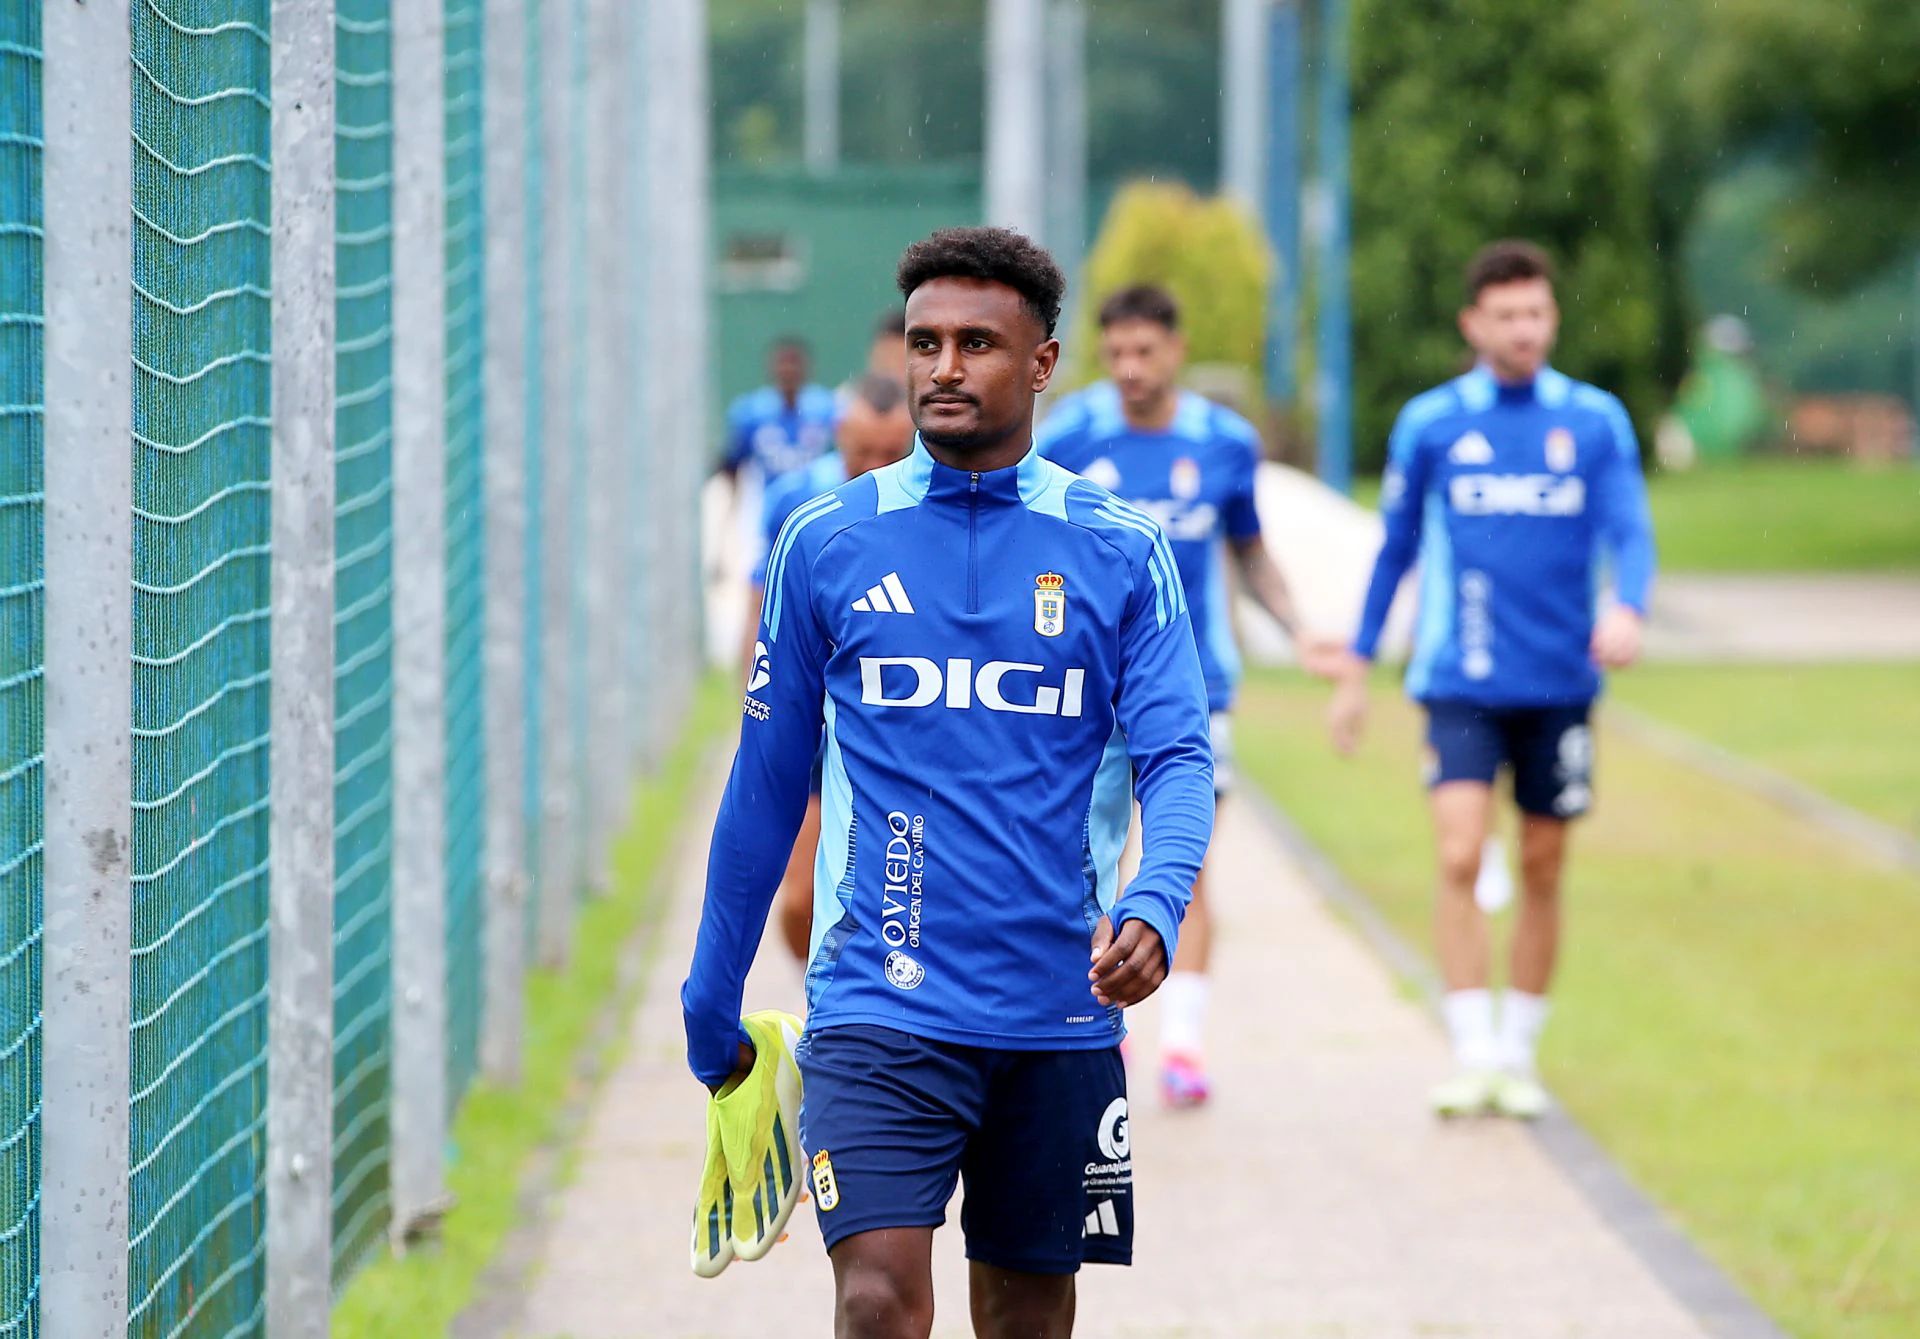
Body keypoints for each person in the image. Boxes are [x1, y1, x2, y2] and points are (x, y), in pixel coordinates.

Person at [683, 226, 1214, 1339]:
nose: (944, 367)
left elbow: (1176, 756)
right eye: (926, 343)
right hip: (878, 1003)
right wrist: (710, 992)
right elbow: (766, 783)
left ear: (1042, 362)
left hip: (1059, 1010)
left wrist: (1157, 901)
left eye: (978, 343)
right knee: (876, 1299)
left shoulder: (1122, 549)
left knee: (1025, 1318)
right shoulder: (825, 540)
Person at [1315, 240, 1656, 1120]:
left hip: (1561, 684)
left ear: (1553, 317)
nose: (1523, 329)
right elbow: (1394, 550)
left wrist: (1629, 605)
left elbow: (1631, 529)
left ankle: (1519, 1052)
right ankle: (1471, 1051)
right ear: (1473, 324)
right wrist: (1357, 667)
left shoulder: (1593, 421)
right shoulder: (1432, 423)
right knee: (1461, 853)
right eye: (1506, 315)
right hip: (1459, 680)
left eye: (1536, 312)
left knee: (1542, 864)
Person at [1037, 284, 1314, 1109]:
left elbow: (1251, 552)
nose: (1130, 367)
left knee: (1184, 862)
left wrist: (1300, 629)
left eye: (1144, 351)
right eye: (1116, 352)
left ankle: (1184, 1044)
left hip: (1195, 688)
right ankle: (1099, 1026)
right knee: (1087, 863)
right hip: (1086, 693)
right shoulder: (1070, 435)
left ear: (1176, 350)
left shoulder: (1224, 443)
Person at [741, 373, 917, 963]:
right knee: (799, 901)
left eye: (891, 452)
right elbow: (760, 608)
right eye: (863, 450)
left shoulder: (930, 505)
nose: (875, 466)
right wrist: (756, 706)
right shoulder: (798, 502)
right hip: (815, 722)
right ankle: (820, 991)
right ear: (839, 434)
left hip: (898, 722)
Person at [722, 336, 840, 485]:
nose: (788, 371)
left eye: (794, 364)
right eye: (783, 364)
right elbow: (732, 463)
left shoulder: (828, 409)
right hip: (771, 494)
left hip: (818, 494)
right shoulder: (751, 412)